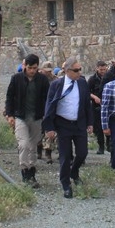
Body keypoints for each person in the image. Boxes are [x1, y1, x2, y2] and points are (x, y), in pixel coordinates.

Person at [43, 56, 93, 199]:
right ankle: (65, 184)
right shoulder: (57, 85)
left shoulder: (82, 83)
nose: (79, 72)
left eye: (80, 70)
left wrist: (90, 123)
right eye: (76, 70)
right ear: (66, 71)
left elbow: (87, 105)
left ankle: (74, 172)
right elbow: (49, 106)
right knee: (65, 156)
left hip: (79, 124)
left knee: (82, 153)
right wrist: (49, 127)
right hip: (63, 124)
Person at [4, 53, 51, 188]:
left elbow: (47, 99)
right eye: (30, 68)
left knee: (33, 146)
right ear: (25, 66)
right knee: (24, 144)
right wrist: (10, 114)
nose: (31, 71)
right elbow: (9, 97)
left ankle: (32, 171)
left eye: (34, 68)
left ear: (38, 67)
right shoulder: (16, 79)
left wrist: (46, 117)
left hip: (36, 117)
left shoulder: (42, 80)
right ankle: (24, 171)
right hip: (21, 117)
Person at [38, 61, 58, 164]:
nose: (48, 73)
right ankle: (39, 149)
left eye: (49, 71)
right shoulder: (38, 79)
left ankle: (48, 152)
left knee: (49, 132)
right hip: (39, 108)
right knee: (39, 132)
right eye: (46, 71)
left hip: (50, 109)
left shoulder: (55, 80)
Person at [87, 60, 108, 154]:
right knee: (99, 128)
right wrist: (94, 97)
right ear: (97, 68)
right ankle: (101, 147)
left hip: (108, 105)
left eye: (104, 69)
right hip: (96, 106)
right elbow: (87, 92)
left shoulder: (109, 77)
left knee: (109, 126)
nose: (103, 71)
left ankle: (109, 145)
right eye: (101, 69)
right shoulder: (92, 79)